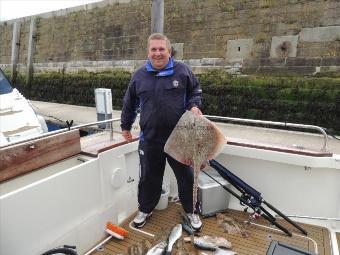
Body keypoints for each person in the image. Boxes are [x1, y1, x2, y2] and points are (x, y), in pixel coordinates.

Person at [121, 33, 203, 231]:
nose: (158, 53)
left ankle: (192, 211)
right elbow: (129, 103)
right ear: (148, 52)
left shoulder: (182, 71)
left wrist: (194, 105)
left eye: (161, 49)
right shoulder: (139, 76)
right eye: (153, 49)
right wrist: (125, 125)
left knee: (187, 177)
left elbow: (195, 91)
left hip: (179, 138)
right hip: (150, 139)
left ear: (169, 50)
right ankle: (145, 209)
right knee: (149, 177)